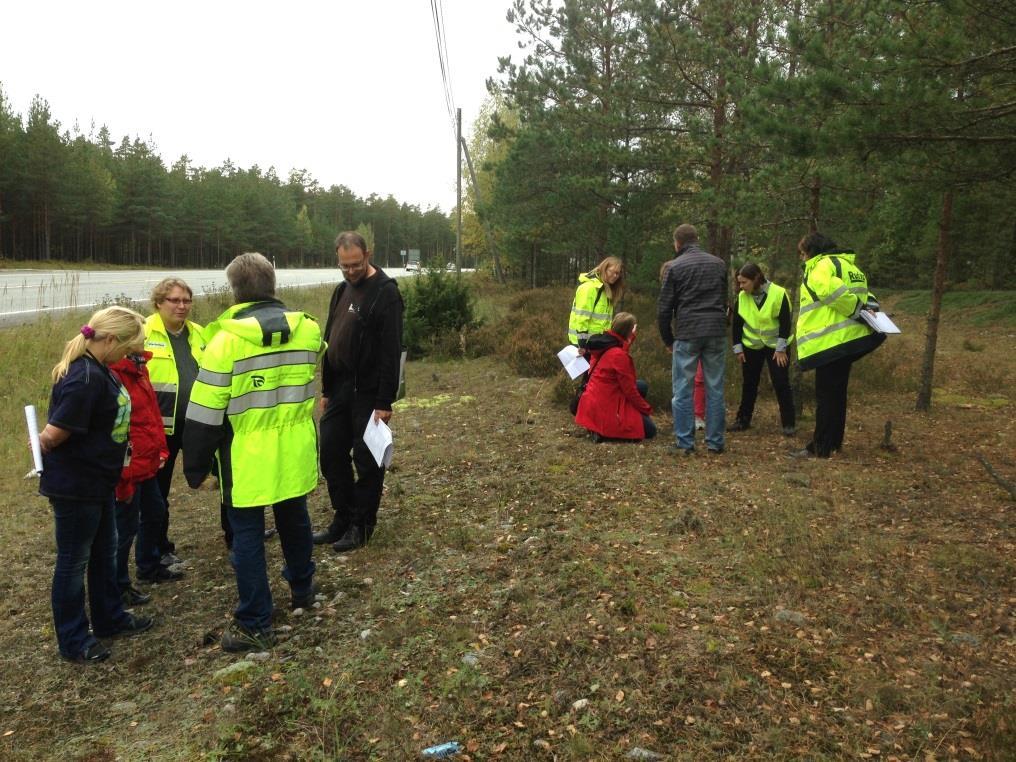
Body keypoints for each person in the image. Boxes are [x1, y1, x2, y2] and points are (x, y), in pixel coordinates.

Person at [183, 253, 321, 652]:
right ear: (273, 283)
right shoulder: (308, 330)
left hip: (244, 456)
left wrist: (194, 466)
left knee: (246, 534)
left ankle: (255, 621)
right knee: (295, 518)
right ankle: (302, 588)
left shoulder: (223, 342)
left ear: (235, 290)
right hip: (294, 448)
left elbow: (206, 413)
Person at [39, 307, 155, 663]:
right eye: (129, 346)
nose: (131, 354)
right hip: (76, 486)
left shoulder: (101, 369)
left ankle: (109, 617)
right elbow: (54, 434)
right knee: (74, 561)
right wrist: (41, 439)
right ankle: (74, 639)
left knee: (105, 552)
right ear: (109, 340)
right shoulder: (83, 378)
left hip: (101, 483)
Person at [314, 231, 405, 552]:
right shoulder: (341, 291)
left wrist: (384, 401)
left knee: (367, 461)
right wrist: (326, 388)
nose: (350, 271)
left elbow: (391, 352)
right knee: (330, 455)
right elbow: (329, 339)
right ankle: (344, 515)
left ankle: (363, 525)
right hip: (339, 389)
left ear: (368, 254)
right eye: (344, 266)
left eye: (355, 264)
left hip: (368, 394)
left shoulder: (385, 294)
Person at [793, 232, 885, 458]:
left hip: (830, 343)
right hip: (848, 341)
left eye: (803, 253)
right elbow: (868, 296)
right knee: (837, 394)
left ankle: (821, 447)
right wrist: (867, 311)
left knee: (826, 397)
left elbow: (829, 290)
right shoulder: (850, 267)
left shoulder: (821, 266)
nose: (802, 259)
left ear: (813, 251)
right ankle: (833, 442)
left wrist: (857, 311)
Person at [144, 278, 205, 576]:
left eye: (186, 300)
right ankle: (157, 549)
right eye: (174, 300)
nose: (182, 306)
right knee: (157, 492)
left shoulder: (200, 334)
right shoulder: (143, 332)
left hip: (196, 425)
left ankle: (237, 533)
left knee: (222, 477)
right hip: (159, 429)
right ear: (159, 303)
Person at [657, 224, 728, 455]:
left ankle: (685, 443)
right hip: (716, 331)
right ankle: (715, 443)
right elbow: (725, 301)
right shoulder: (719, 264)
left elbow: (664, 309)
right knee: (715, 388)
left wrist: (668, 340)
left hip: (688, 332)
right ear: (696, 239)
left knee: (682, 390)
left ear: (677, 243)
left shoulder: (675, 267)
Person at [110, 347, 170, 606]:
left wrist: (161, 446)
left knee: (155, 512)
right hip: (129, 464)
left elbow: (152, 414)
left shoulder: (139, 368)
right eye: (138, 336)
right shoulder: (114, 372)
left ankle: (148, 565)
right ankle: (117, 585)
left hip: (147, 459)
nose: (143, 340)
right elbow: (119, 424)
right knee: (124, 528)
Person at [727, 262, 796, 435]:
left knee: (781, 383)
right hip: (751, 346)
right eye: (739, 283)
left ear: (756, 279)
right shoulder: (742, 297)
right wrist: (738, 348)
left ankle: (789, 424)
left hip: (776, 347)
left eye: (744, 282)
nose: (741, 286)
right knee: (749, 383)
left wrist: (781, 349)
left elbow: (785, 323)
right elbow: (737, 325)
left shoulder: (779, 293)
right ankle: (742, 420)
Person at [575, 312, 656, 442]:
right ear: (627, 332)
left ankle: (598, 426)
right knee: (650, 430)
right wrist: (646, 409)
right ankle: (604, 432)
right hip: (606, 404)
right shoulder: (619, 355)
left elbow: (622, 346)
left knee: (641, 386)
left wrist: (630, 336)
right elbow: (629, 390)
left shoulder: (603, 343)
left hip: (592, 401)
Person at [660, 258, 706, 430]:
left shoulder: (689, 288)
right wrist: (669, 340)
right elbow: (665, 313)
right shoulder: (670, 292)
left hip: (698, 335)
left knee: (700, 378)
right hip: (683, 338)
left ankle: (698, 415)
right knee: (682, 381)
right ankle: (684, 419)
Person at [568, 256, 625, 350]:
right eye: (612, 271)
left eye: (617, 273)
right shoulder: (589, 288)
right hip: (581, 345)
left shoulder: (606, 290)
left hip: (596, 344)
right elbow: (582, 317)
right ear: (604, 269)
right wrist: (582, 344)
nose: (615, 276)